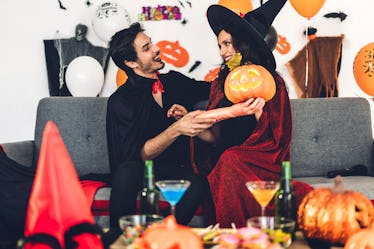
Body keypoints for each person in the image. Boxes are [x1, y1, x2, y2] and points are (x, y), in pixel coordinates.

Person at [190, 0, 314, 228]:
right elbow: (216, 138)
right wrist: (188, 125)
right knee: (227, 158)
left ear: (243, 43)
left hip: (261, 161)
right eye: (220, 45)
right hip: (227, 160)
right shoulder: (220, 83)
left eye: (227, 44)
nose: (223, 51)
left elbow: (276, 139)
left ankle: (242, 232)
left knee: (230, 159)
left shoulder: (271, 81)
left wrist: (259, 114)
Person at [104, 22, 215, 240]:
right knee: (125, 172)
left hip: (175, 168)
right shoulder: (121, 101)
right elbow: (135, 156)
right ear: (130, 62)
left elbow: (216, 90)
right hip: (138, 170)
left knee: (199, 185)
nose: (156, 48)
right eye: (146, 48)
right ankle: (119, 238)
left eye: (151, 43)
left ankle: (159, 238)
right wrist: (176, 129)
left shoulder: (174, 81)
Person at [44, 23, 110, 96]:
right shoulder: (68, 43)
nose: (78, 34)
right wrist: (57, 37)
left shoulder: (89, 47)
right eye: (77, 32)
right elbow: (58, 44)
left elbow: (99, 52)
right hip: (70, 79)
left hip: (84, 80)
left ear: (84, 33)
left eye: (81, 32)